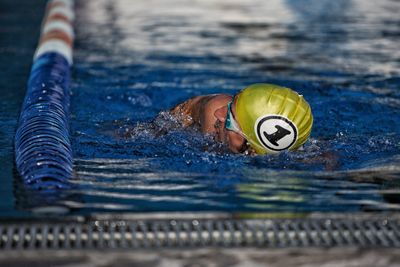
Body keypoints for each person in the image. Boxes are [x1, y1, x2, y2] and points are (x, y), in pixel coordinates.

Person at [169, 83, 313, 155]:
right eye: (232, 104)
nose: (218, 114)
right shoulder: (214, 108)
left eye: (229, 119)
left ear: (251, 151)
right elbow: (173, 117)